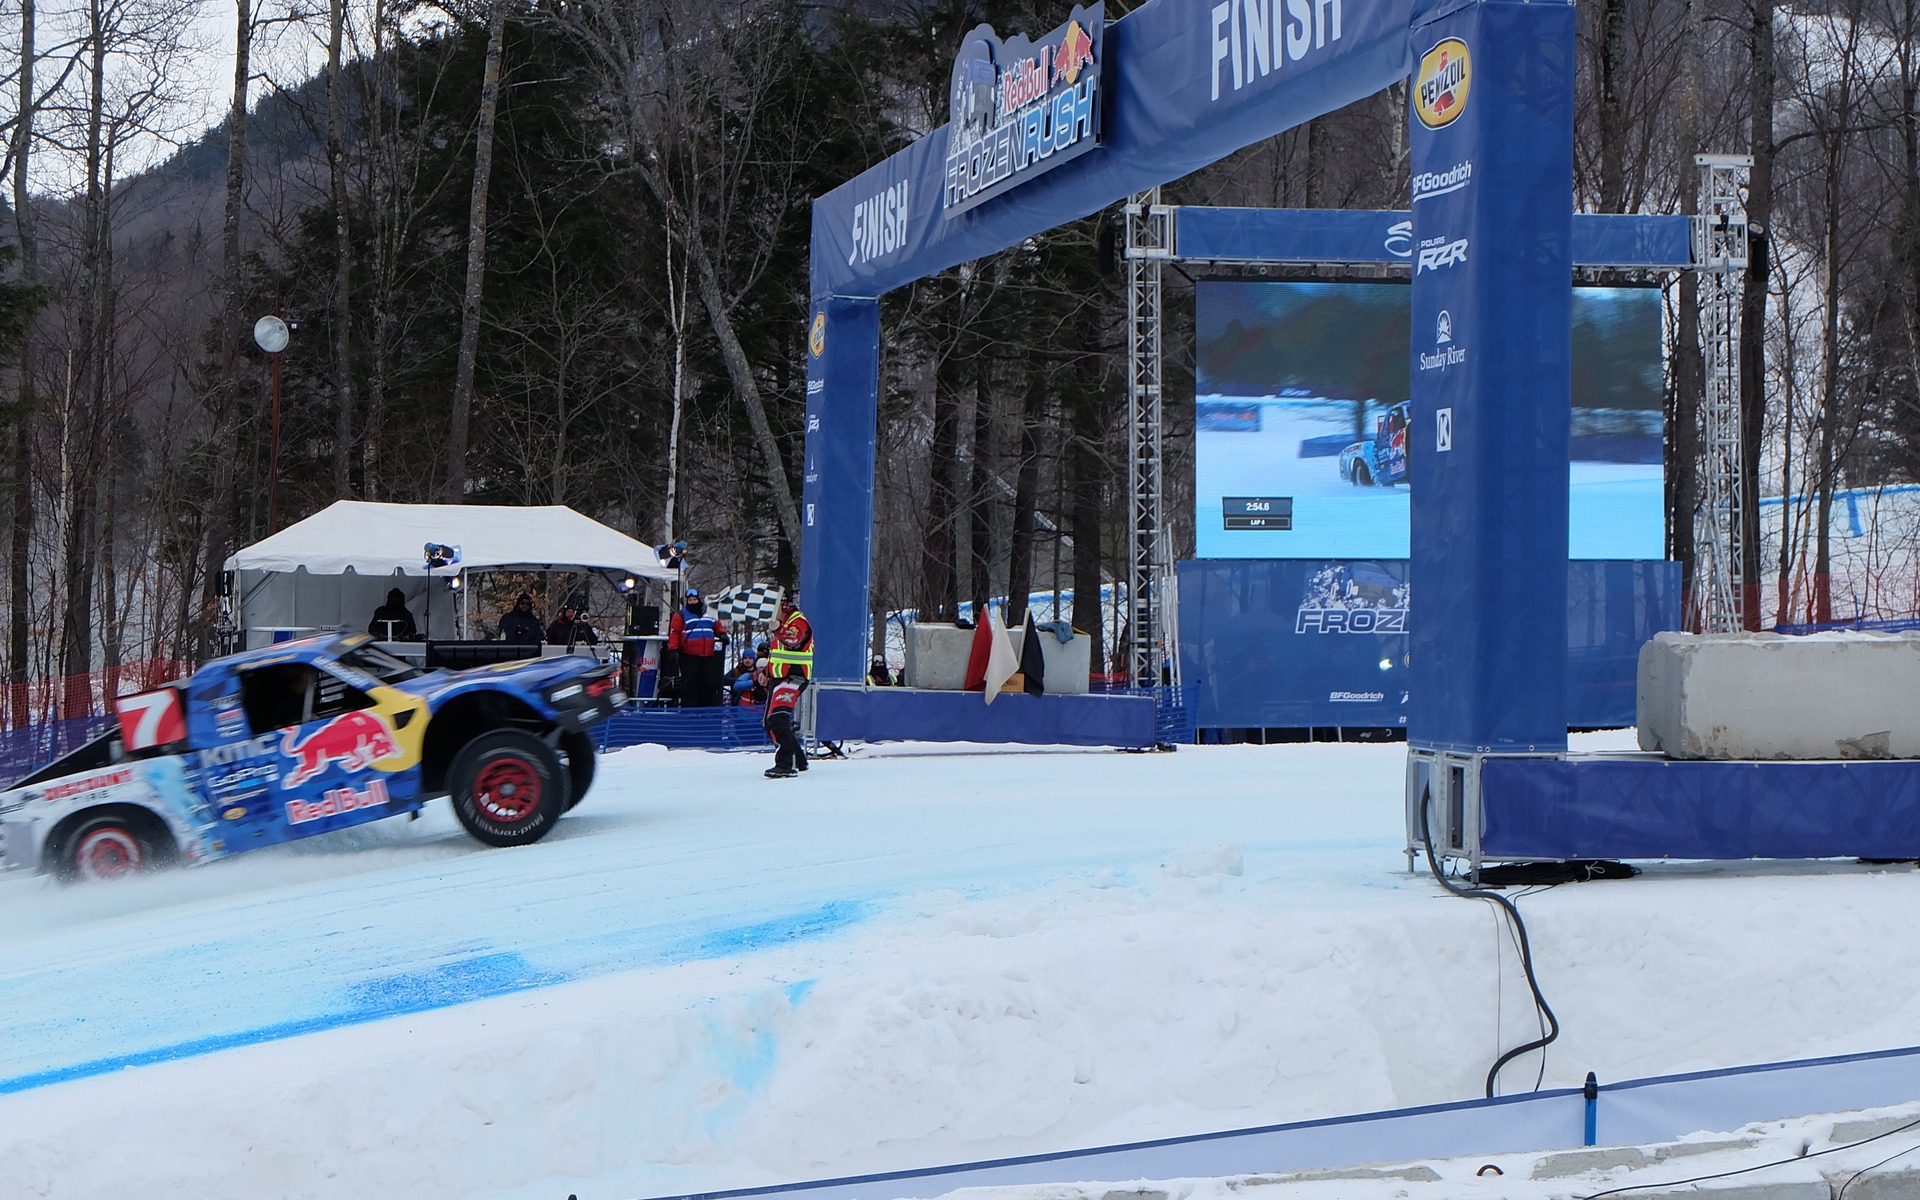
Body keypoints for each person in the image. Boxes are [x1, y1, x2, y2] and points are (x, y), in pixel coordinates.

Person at [667, 587, 729, 706]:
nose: (692, 602)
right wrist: (673, 649)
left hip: (708, 655)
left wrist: (722, 634)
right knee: (690, 684)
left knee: (710, 682)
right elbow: (675, 632)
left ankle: (706, 708)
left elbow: (717, 626)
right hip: (690, 655)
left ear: (698, 599)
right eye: (690, 600)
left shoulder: (710, 613)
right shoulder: (681, 615)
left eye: (694, 599)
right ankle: (690, 710)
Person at [762, 665, 807, 778]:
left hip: (793, 674)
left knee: (777, 718)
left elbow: (792, 648)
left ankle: (785, 764)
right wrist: (766, 672)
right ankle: (798, 760)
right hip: (780, 676)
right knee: (769, 722)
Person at [766, 591, 813, 681]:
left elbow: (793, 639)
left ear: (785, 606)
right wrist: (766, 673)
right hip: (782, 678)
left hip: (794, 678)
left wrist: (778, 628)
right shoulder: (786, 622)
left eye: (775, 606)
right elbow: (777, 654)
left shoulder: (798, 621)